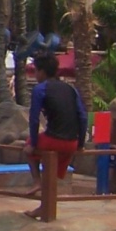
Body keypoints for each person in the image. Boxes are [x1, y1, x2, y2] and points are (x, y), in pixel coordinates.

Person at [24, 53, 86, 218]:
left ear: (42, 72)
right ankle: (44, 207)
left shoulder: (40, 89)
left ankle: (36, 180)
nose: (35, 75)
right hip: (71, 143)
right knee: (51, 175)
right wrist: (80, 144)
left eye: (36, 71)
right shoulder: (70, 88)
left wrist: (33, 143)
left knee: (27, 148)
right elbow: (82, 116)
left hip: (53, 140)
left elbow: (34, 118)